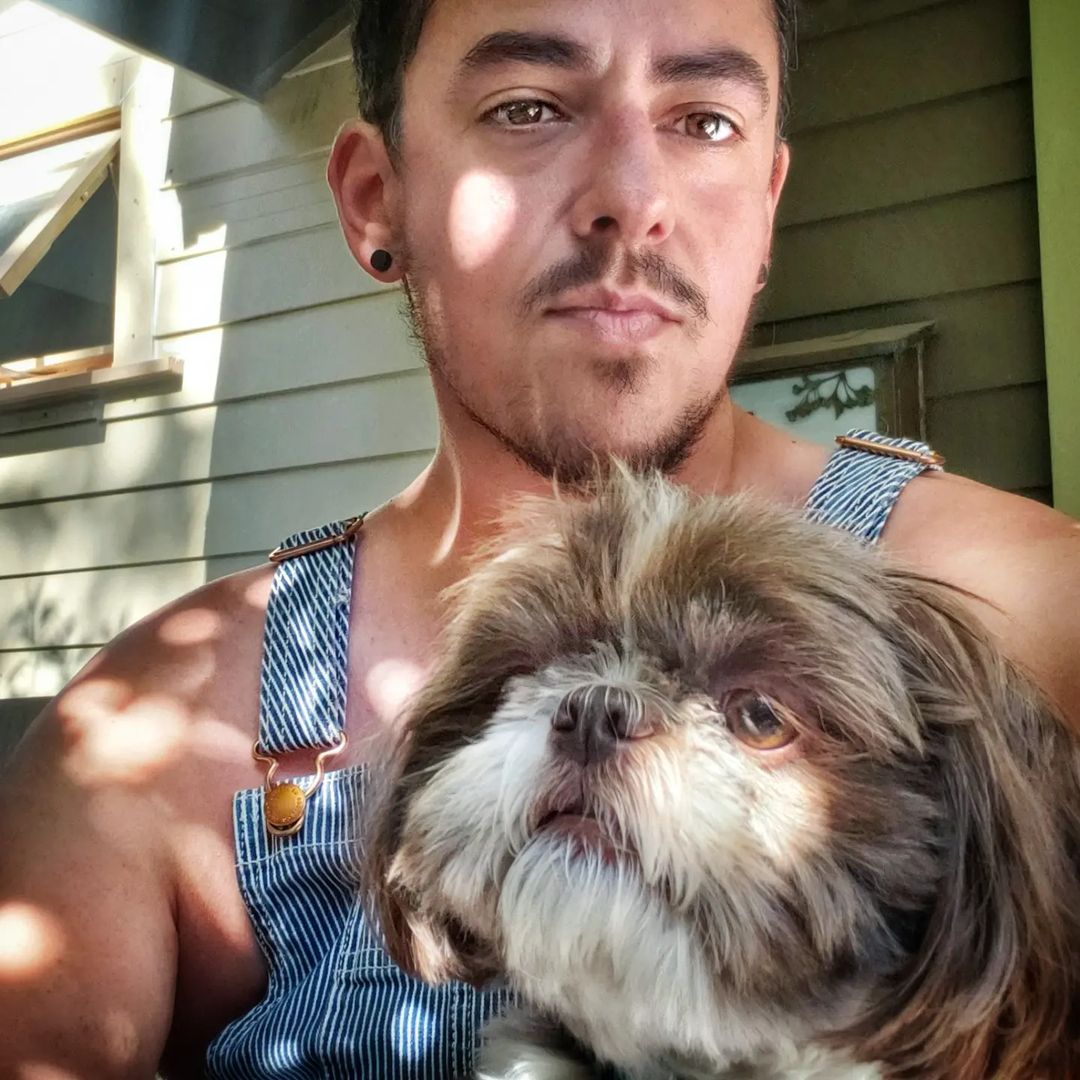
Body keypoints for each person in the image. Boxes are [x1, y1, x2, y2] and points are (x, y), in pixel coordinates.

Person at [2, 0, 1078, 1076]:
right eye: (529, 108)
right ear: (377, 197)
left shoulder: (1042, 610)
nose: (633, 201)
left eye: (704, 121)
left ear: (765, 206)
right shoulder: (138, 741)